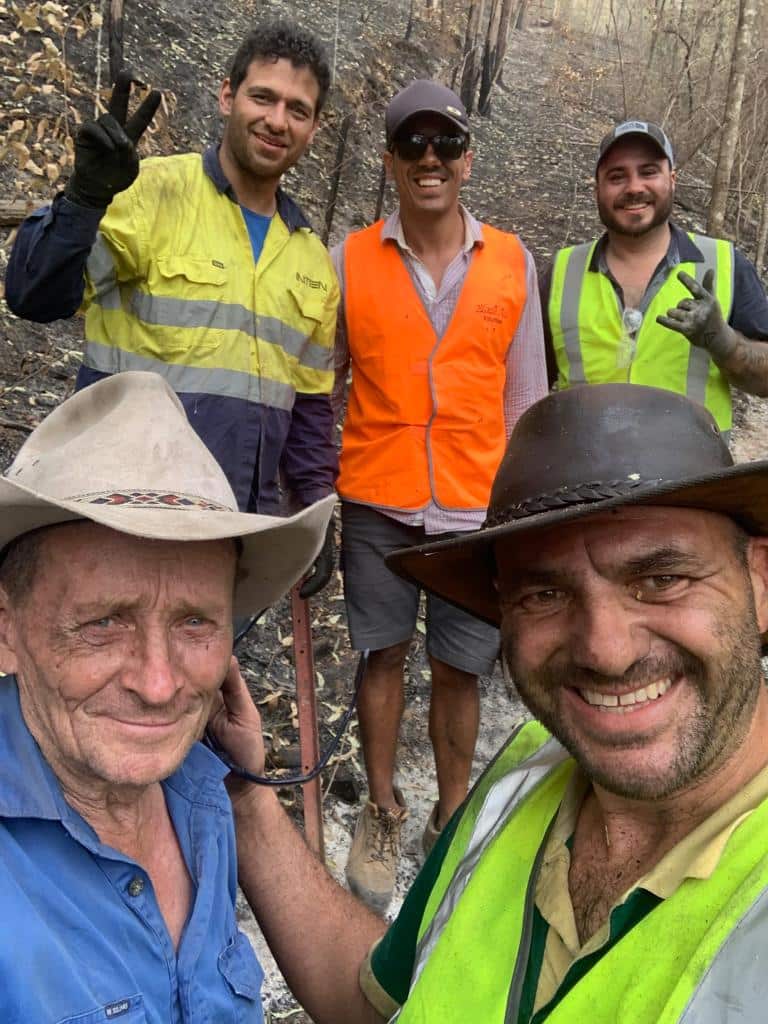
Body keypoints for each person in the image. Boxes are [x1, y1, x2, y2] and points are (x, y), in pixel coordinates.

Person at [210, 382, 768, 1023]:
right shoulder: (526, 777)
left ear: (759, 581)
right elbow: (376, 1006)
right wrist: (244, 794)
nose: (607, 651)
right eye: (544, 595)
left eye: (662, 578)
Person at [0, 370, 334, 1023]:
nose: (158, 685)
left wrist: (247, 794)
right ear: (5, 629)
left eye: (194, 622)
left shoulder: (209, 791)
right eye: (103, 623)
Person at [330, 78, 548, 910]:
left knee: (458, 667)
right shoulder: (349, 258)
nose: (430, 159)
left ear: (466, 159)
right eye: (412, 145)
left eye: (445, 144)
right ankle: (383, 810)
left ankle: (450, 817)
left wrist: (520, 516)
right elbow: (324, 388)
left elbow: (524, 401)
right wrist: (314, 501)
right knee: (382, 654)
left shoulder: (512, 262)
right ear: (390, 161)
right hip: (377, 502)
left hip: (473, 509)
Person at [5, 21, 338, 549]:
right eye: (263, 97)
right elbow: (34, 295)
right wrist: (84, 200)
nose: (278, 121)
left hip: (233, 526)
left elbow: (310, 410)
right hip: (122, 512)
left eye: (297, 109)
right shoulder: (151, 191)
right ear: (228, 96)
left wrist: (316, 511)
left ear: (314, 127)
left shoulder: (311, 260)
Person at [542, 118, 768, 441]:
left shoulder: (725, 264)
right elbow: (527, 384)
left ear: (672, 180)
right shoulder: (562, 272)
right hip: (586, 481)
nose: (634, 187)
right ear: (597, 190)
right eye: (617, 176)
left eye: (648, 172)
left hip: (694, 479)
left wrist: (726, 344)